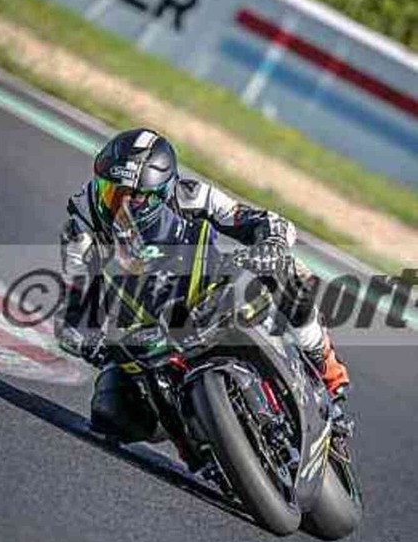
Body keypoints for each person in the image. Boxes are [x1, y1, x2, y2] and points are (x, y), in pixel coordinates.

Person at [55, 128, 352, 445]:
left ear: (161, 193)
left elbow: (267, 221)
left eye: (134, 197)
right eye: (111, 192)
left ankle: (330, 376)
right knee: (111, 412)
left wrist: (271, 243)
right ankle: (197, 447)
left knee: (289, 270)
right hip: (142, 328)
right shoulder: (82, 230)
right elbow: (74, 309)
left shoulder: (190, 195)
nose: (120, 207)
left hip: (208, 288)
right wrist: (89, 343)